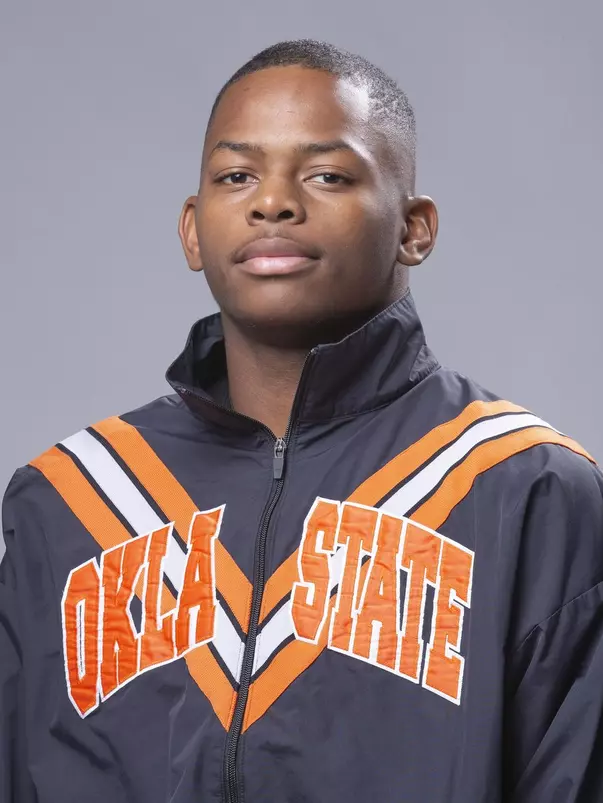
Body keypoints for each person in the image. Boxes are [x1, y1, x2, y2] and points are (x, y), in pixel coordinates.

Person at [1, 38, 602, 803]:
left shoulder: (527, 488)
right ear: (192, 228)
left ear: (414, 228)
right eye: (236, 176)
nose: (273, 202)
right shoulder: (65, 500)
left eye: (326, 174)